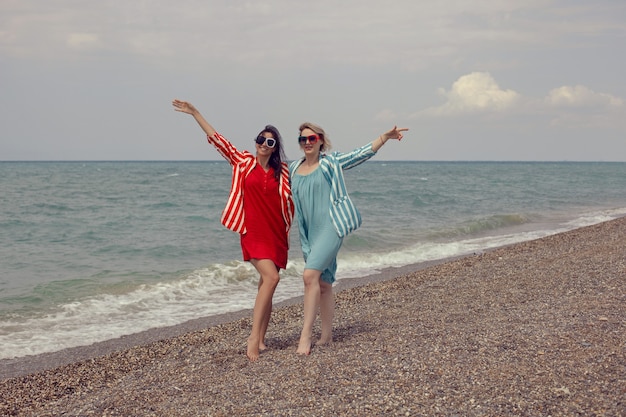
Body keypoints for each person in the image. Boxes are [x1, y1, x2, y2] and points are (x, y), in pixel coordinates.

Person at [172, 99, 294, 361]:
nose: (263, 144)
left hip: (276, 234)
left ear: (275, 148)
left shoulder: (283, 171)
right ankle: (252, 338)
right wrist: (195, 113)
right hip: (253, 232)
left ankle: (262, 339)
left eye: (270, 142)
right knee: (272, 279)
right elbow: (219, 140)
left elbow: (306, 178)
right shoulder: (242, 162)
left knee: (267, 284)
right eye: (261, 139)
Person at [289, 122, 408, 355]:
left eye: (312, 138)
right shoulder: (293, 168)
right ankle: (327, 335)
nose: (307, 143)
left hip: (331, 227)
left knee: (309, 275)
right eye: (303, 140)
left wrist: (384, 137)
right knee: (323, 282)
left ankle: (306, 336)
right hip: (308, 232)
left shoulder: (330, 163)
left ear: (321, 140)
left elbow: (359, 155)